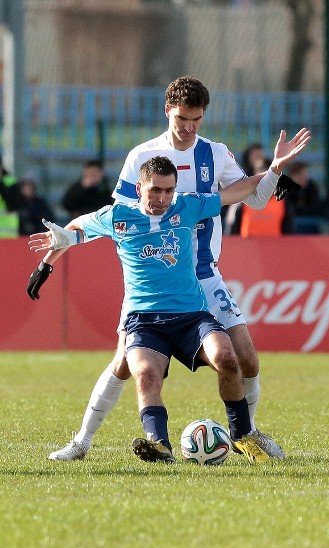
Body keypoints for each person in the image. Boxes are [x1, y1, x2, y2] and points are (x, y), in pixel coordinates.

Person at [28, 76, 310, 462]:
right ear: (167, 112)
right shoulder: (142, 157)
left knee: (244, 357)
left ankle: (245, 435)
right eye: (182, 118)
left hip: (203, 274)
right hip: (151, 285)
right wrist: (56, 254)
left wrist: (274, 172)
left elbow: (253, 199)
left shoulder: (216, 154)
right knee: (125, 364)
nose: (189, 127)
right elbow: (117, 220)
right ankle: (82, 441)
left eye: (197, 119)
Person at [30, 156, 277, 463]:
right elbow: (74, 231)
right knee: (144, 374)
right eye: (155, 190)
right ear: (139, 188)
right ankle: (159, 446)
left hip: (192, 316)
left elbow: (236, 191)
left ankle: (242, 436)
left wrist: (276, 169)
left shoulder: (187, 206)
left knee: (227, 358)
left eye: (168, 191)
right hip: (144, 320)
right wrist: (46, 265)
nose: (162, 198)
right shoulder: (117, 216)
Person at [286, 161, 323, 233]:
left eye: (305, 174)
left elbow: (316, 206)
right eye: (301, 175)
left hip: (311, 226)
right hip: (292, 226)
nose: (304, 177)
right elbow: (288, 208)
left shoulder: (312, 187)